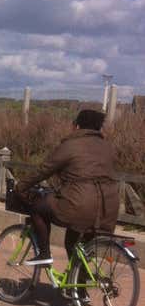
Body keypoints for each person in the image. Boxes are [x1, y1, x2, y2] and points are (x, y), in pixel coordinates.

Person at [16, 109, 119, 265]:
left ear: (76, 126)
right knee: (75, 243)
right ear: (98, 128)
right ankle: (77, 287)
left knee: (37, 207)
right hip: (108, 208)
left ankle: (44, 254)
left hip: (80, 203)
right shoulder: (108, 147)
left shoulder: (71, 145)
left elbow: (44, 170)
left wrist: (21, 186)